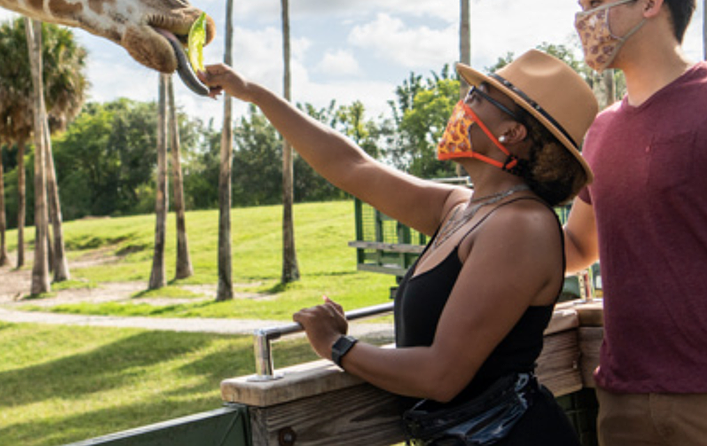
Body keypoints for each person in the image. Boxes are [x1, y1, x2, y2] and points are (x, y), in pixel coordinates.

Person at [201, 49, 597, 445]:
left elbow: (440, 376)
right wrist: (253, 92)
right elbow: (352, 167)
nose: (463, 102)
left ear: (512, 133)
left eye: (479, 96)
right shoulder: (463, 208)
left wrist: (336, 345)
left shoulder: (520, 226)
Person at [564, 0, 707, 445]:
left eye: (595, 4)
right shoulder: (599, 131)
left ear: (650, 3)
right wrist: (477, 223)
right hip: (623, 400)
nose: (583, 23)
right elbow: (576, 247)